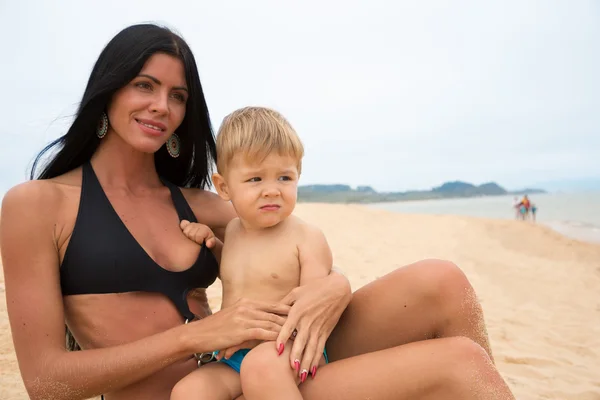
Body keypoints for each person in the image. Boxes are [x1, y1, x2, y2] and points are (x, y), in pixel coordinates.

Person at [0, 23, 515, 400]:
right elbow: (47, 381)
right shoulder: (39, 206)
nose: (161, 105)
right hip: (194, 392)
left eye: (177, 96)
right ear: (109, 90)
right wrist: (197, 335)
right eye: (144, 85)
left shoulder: (205, 204)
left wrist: (333, 284)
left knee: (443, 281)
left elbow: (287, 254)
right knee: (460, 365)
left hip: (263, 371)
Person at [171, 106, 331, 400]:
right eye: (256, 179)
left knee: (263, 369)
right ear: (224, 186)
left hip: (286, 350)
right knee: (188, 392)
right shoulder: (231, 232)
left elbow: (312, 313)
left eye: (284, 178)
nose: (272, 190)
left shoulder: (306, 237)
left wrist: (263, 337)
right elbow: (236, 273)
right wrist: (210, 242)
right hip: (234, 356)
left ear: (298, 176)